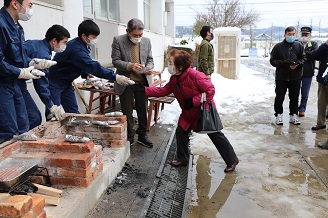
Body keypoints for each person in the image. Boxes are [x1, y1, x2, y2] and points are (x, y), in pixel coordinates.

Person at [141, 49, 239, 172]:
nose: (169, 66)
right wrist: (144, 90)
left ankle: (232, 160)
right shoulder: (174, 79)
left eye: (171, 63)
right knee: (181, 133)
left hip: (202, 112)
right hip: (187, 113)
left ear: (180, 66)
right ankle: (183, 158)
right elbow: (164, 91)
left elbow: (210, 91)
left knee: (215, 135)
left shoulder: (195, 76)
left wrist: (193, 101)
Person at [48, 20, 130, 115]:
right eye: (94, 37)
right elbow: (91, 65)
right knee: (53, 113)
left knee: (73, 112)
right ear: (84, 36)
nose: (96, 39)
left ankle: (74, 129)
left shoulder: (83, 45)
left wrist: (85, 74)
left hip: (66, 82)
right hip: (55, 82)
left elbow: (78, 63)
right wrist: (115, 77)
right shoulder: (76, 49)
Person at [0, 0, 49, 143]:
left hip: (15, 83)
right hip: (3, 84)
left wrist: (33, 63)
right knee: (8, 132)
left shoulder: (17, 28)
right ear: (15, 4)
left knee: (24, 126)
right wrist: (20, 72)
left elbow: (17, 56)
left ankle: (24, 161)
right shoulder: (1, 24)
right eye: (30, 4)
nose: (31, 9)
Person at [111, 18, 154, 148]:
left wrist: (146, 69)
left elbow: (150, 60)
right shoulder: (118, 40)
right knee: (127, 111)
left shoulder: (146, 41)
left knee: (142, 110)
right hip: (126, 82)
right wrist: (130, 66)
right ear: (127, 31)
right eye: (135, 35)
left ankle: (142, 135)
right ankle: (129, 135)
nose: (138, 37)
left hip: (142, 82)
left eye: (140, 34)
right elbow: (115, 61)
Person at [22, 24, 70, 129]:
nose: (65, 46)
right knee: (33, 118)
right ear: (54, 41)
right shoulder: (42, 54)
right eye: (64, 42)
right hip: (9, 83)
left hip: (16, 82)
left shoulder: (37, 44)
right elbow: (41, 83)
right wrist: (51, 106)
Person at [270, 26, 304, 125]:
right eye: (289, 34)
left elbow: (304, 58)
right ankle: (278, 114)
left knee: (294, 97)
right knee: (279, 97)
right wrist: (282, 63)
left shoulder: (299, 46)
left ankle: (293, 115)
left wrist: (297, 64)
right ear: (285, 35)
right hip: (282, 77)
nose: (291, 36)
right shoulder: (278, 47)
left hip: (295, 77)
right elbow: (272, 61)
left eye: (293, 34)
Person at [307, 39, 328, 131]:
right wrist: (325, 45)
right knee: (322, 102)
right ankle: (320, 123)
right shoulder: (324, 47)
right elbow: (316, 56)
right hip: (324, 79)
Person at [297, 27, 318, 117]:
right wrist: (307, 54)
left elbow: (314, 55)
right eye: (303, 34)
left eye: (306, 34)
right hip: (296, 72)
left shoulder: (313, 44)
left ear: (310, 35)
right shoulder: (297, 43)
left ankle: (302, 108)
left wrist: (303, 54)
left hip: (308, 72)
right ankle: (294, 108)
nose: (304, 36)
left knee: (305, 92)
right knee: (295, 92)